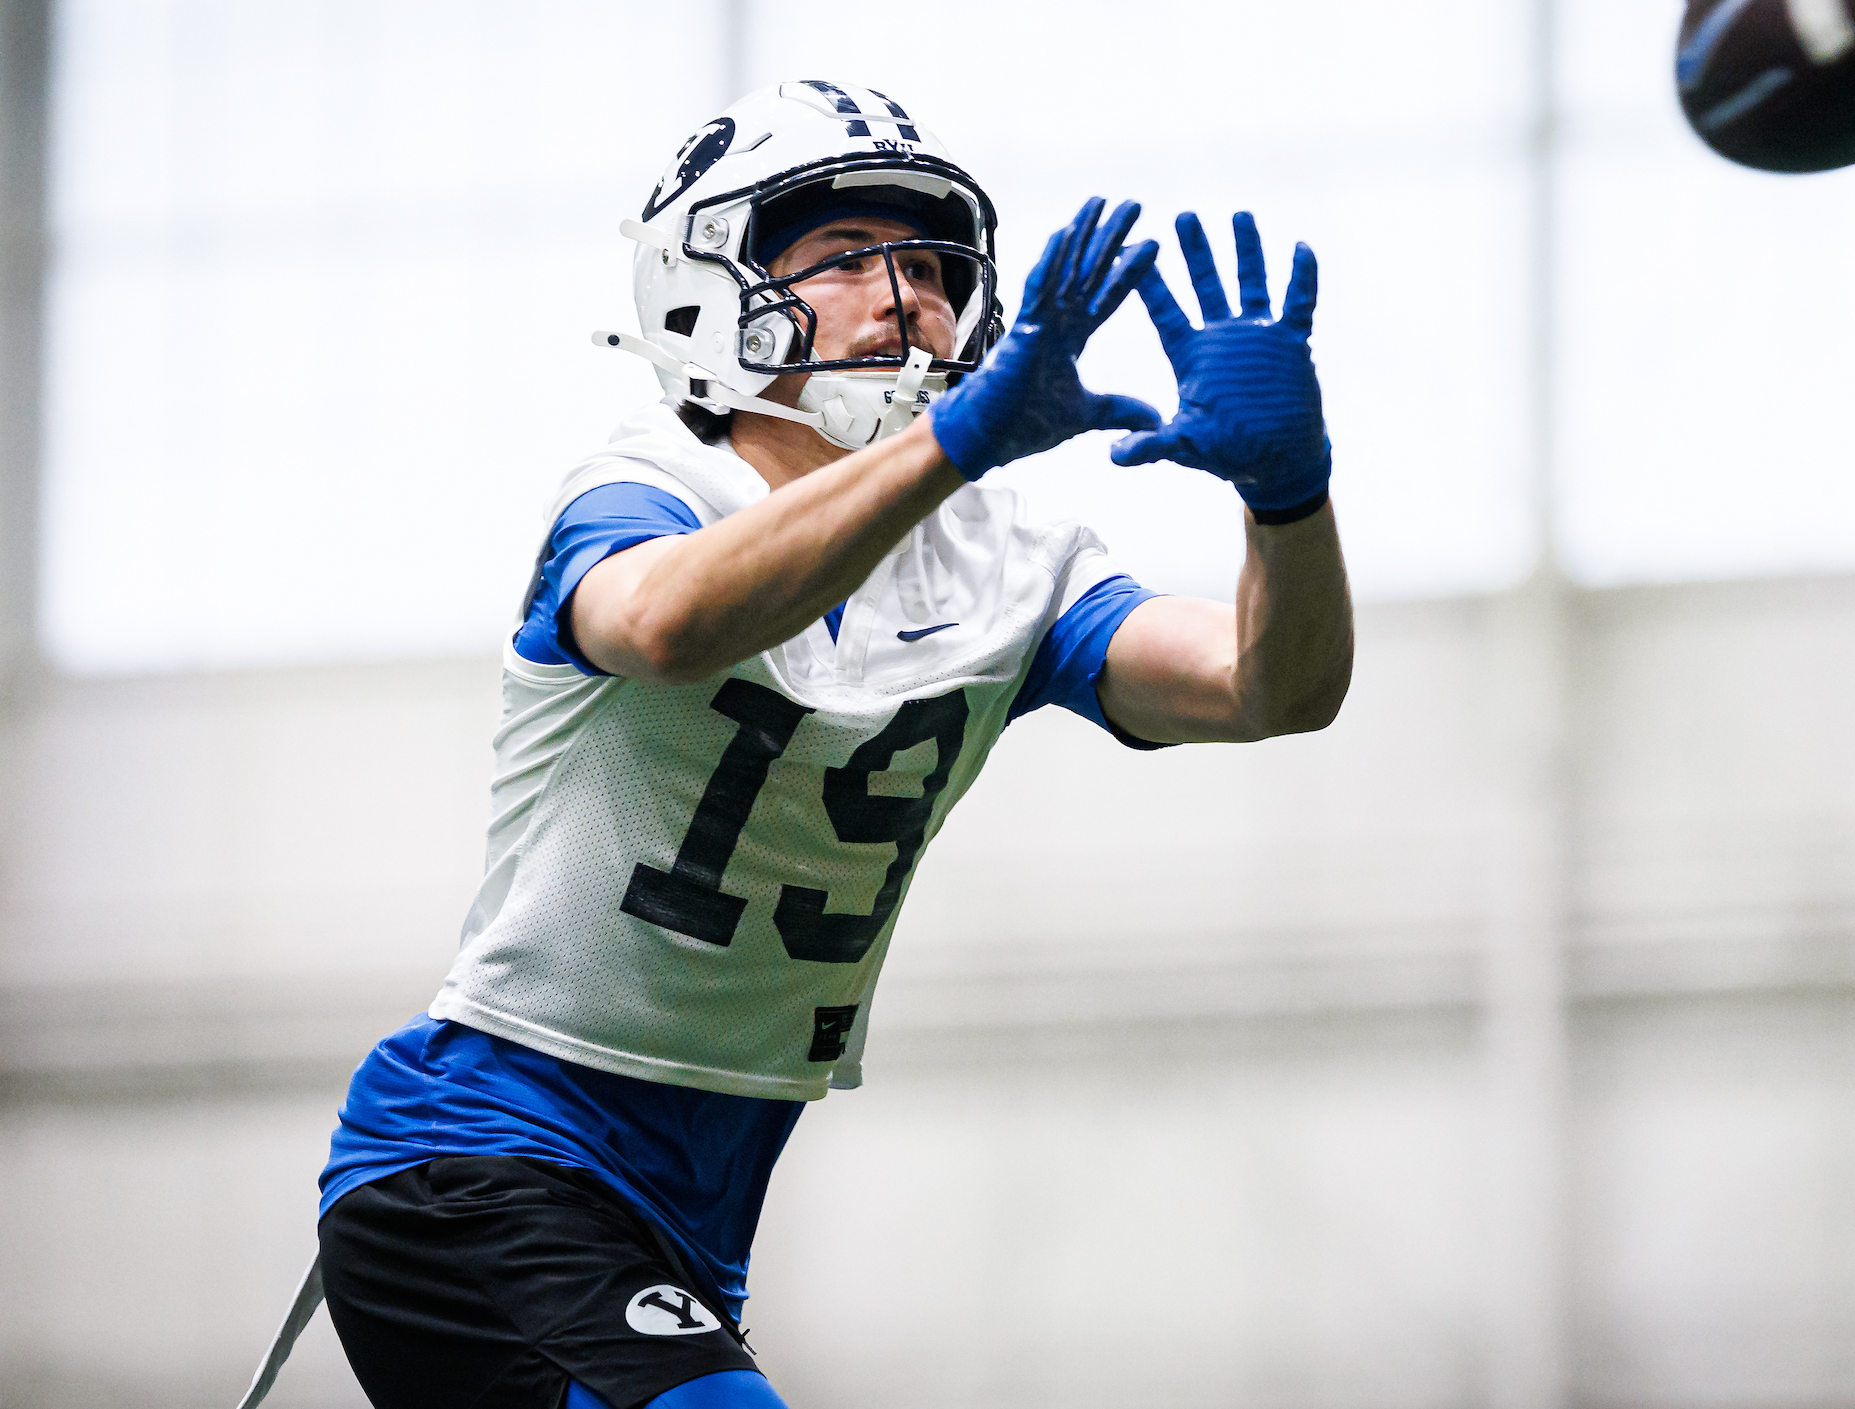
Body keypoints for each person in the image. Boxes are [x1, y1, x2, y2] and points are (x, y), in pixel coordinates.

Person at [238, 79, 1352, 1409]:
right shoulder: (647, 487)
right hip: (483, 1155)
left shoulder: (1008, 563)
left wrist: (1288, 504)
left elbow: (1268, 688)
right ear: (703, 291)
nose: (908, 296)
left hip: (690, 1206)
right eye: (846, 257)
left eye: (935, 266)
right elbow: (662, 623)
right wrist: (952, 443)